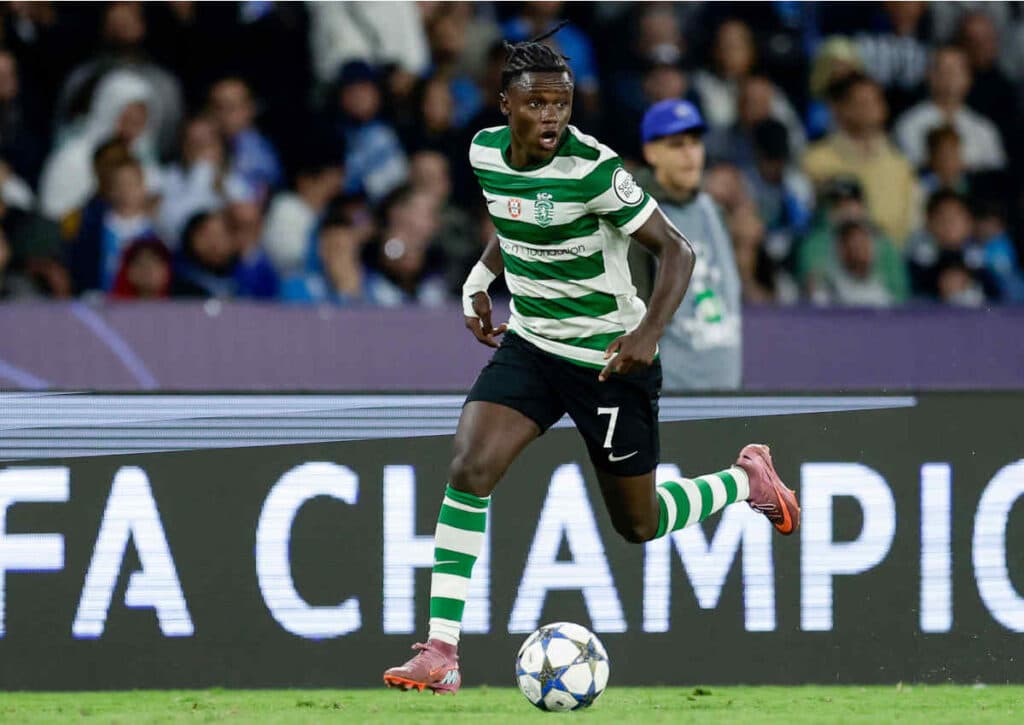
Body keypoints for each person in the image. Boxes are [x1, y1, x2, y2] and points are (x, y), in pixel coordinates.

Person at [382, 26, 800, 695]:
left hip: (609, 360)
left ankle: (743, 480)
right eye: (538, 103)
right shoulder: (485, 153)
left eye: (562, 104)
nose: (551, 116)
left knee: (638, 522)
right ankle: (441, 648)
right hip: (534, 344)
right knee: (470, 465)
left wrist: (646, 335)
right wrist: (476, 280)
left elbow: (680, 252)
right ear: (504, 106)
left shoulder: (597, 170)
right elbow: (515, 220)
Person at [630, 99, 742, 391]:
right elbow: (631, 312)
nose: (690, 154)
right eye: (677, 144)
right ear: (650, 152)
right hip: (671, 398)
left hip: (727, 394)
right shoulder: (637, 216)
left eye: (695, 143)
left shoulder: (711, 209)